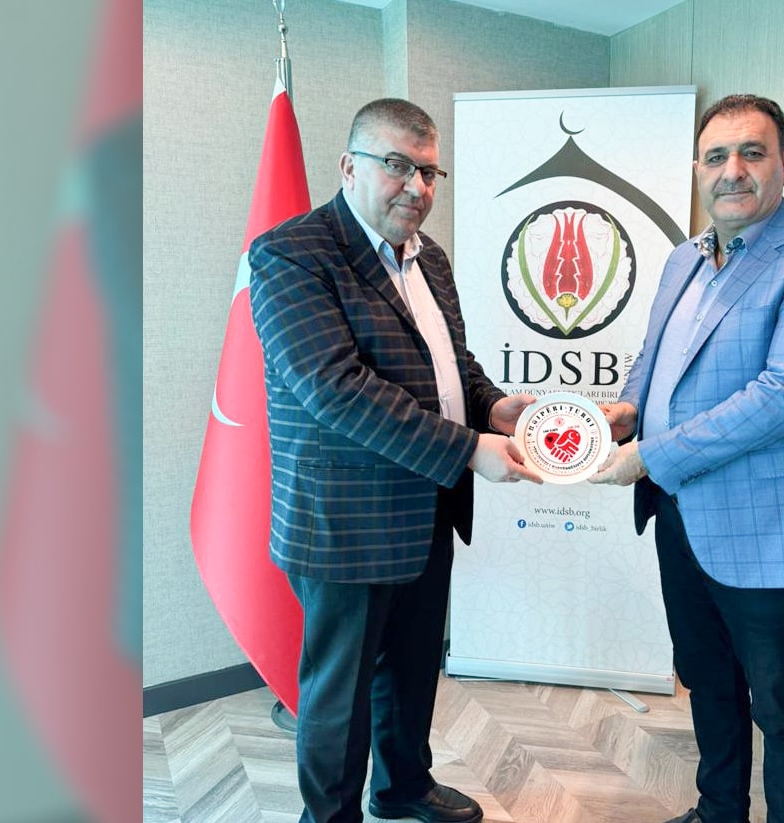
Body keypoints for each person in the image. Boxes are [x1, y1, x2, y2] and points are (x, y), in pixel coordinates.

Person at [249, 98, 541, 823]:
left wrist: (494, 408)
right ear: (349, 166)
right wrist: (469, 449)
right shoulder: (290, 254)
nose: (417, 186)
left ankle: (403, 785)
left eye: (430, 172)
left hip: (427, 503)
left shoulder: (428, 256)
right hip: (345, 520)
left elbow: (450, 366)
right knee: (340, 695)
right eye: (397, 165)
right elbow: (336, 389)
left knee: (412, 668)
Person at [590, 94, 784, 823]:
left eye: (752, 152)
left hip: (770, 524)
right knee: (707, 680)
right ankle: (719, 811)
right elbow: (654, 360)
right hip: (681, 515)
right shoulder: (683, 257)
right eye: (716, 156)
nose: (733, 170)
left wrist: (651, 454)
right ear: (698, 170)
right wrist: (626, 411)